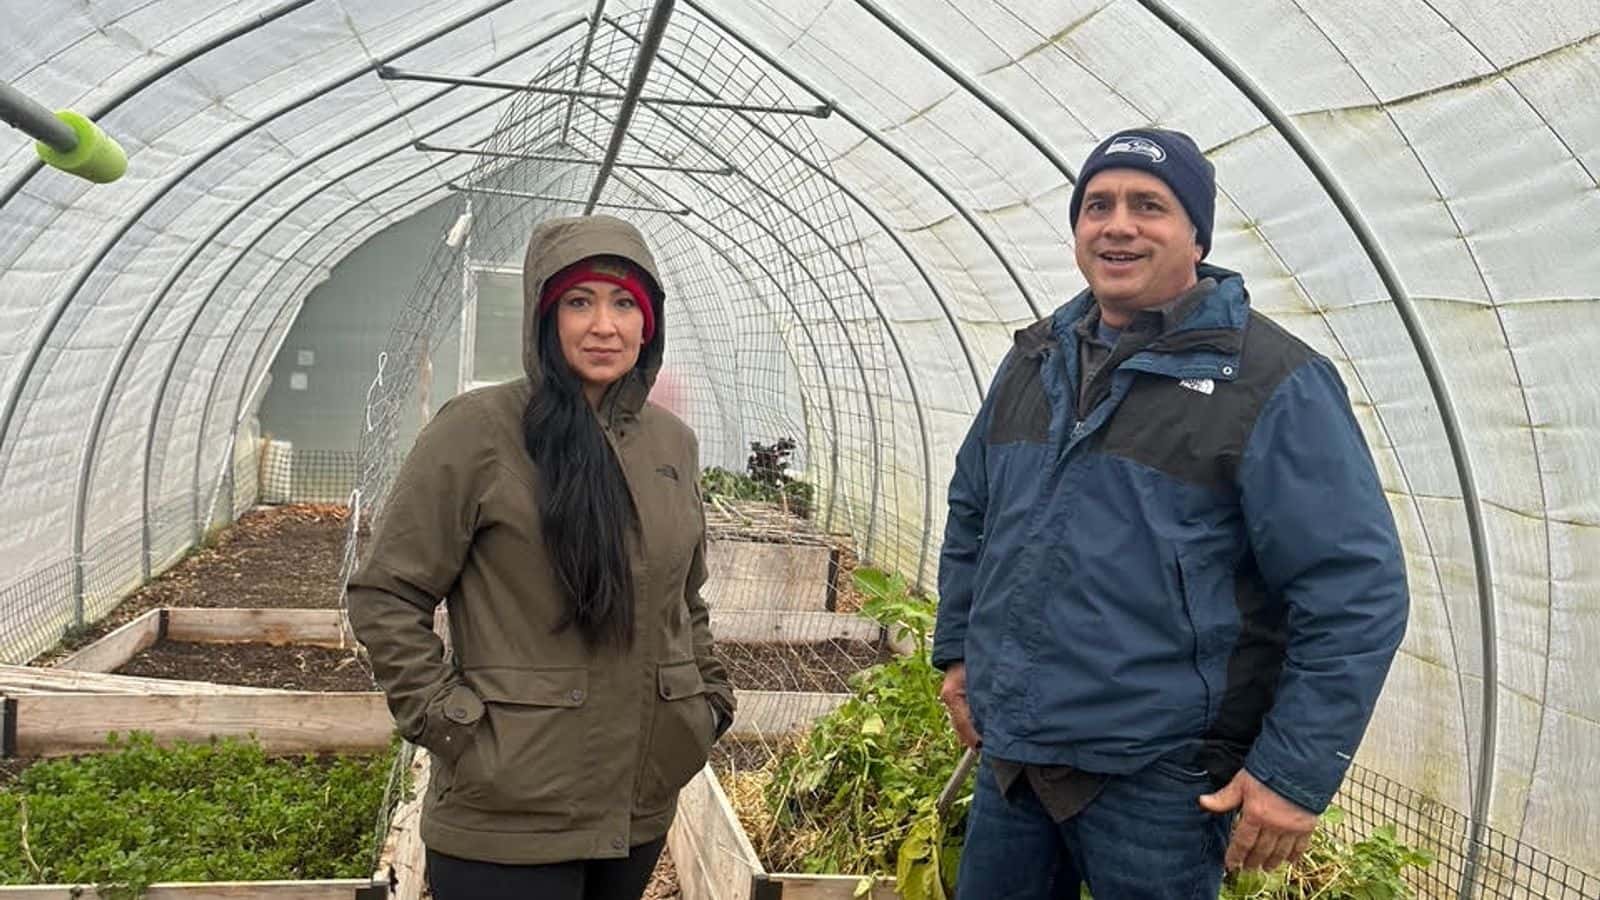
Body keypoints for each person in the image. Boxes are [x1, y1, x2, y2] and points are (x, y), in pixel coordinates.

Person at [933, 128, 1409, 898]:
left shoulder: (1270, 383)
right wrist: (959, 652)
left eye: (1148, 205)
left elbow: (1354, 591)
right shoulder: (1035, 359)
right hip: (1017, 759)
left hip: (1161, 781)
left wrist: (1291, 773)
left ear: (1196, 234)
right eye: (1097, 205)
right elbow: (973, 512)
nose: (1117, 224)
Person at [347, 214, 735, 900]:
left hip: (638, 803)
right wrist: (449, 721)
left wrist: (706, 704)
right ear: (543, 318)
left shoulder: (671, 444)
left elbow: (686, 598)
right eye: (579, 302)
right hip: (508, 811)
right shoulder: (478, 430)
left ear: (650, 326)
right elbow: (387, 594)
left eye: (625, 305)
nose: (603, 326)